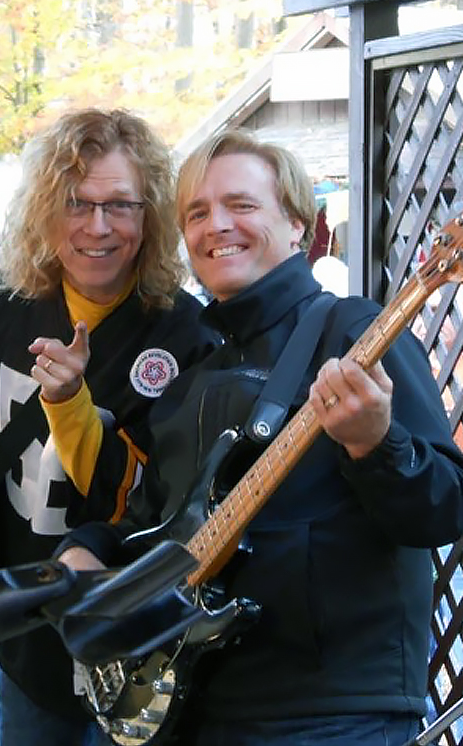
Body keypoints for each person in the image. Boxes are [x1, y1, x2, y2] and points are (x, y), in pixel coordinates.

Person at [57, 129, 463, 745]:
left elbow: (445, 509)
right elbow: (153, 523)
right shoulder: (193, 380)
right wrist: (87, 551)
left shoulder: (356, 332)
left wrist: (375, 442)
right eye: (197, 212)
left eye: (241, 205)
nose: (216, 224)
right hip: (197, 715)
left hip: (336, 718)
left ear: (298, 224)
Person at [0, 108, 219, 746]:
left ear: (152, 215)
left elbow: (152, 498)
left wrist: (68, 402)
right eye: (76, 204)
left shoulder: (184, 335)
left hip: (136, 640)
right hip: (25, 629)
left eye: (121, 205)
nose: (98, 227)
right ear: (44, 209)